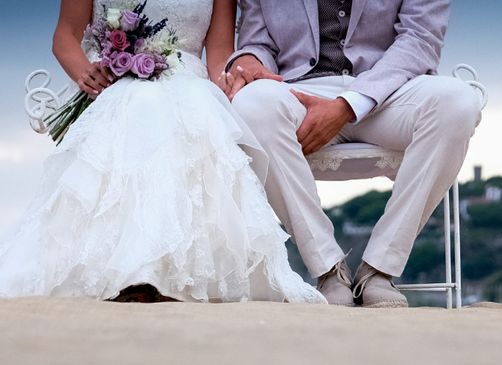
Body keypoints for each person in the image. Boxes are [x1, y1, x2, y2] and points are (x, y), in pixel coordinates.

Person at [0, 0, 326, 305]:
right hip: (111, 83)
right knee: (140, 103)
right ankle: (134, 272)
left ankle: (166, 274)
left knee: (184, 110)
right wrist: (87, 74)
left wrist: (230, 86)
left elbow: (219, 55)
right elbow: (65, 37)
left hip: (189, 80)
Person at [222, 0, 482, 308]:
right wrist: (250, 60)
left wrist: (348, 105)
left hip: (389, 93)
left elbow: (421, 38)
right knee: (252, 104)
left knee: (460, 102)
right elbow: (257, 41)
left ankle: (379, 270)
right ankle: (328, 270)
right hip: (300, 95)